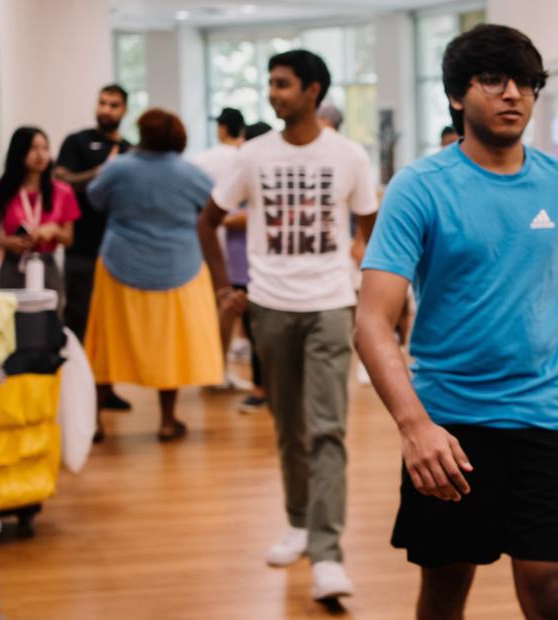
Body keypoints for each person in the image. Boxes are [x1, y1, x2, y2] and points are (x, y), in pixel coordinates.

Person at [357, 24, 558, 620]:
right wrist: (413, 427)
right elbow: (371, 322)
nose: (512, 94)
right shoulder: (420, 188)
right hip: (450, 424)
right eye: (493, 80)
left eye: (526, 83)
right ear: (456, 95)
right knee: (447, 588)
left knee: (552, 586)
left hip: (547, 414)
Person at [198, 49, 378, 605]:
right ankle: (299, 520)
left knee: (326, 427)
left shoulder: (348, 155)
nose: (273, 93)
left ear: (313, 91)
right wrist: (226, 288)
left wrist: (357, 266)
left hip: (329, 303)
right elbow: (208, 220)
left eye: (283, 84)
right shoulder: (251, 155)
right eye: (270, 84)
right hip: (269, 306)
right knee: (287, 425)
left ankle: (327, 553)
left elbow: (371, 221)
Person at [84, 109, 222, 443]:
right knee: (168, 346)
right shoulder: (190, 173)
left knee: (107, 344)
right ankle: (167, 420)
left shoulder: (118, 169)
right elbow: (214, 205)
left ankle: (96, 422)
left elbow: (94, 198)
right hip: (178, 267)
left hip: (120, 264)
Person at [55, 84, 133, 412]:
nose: (106, 109)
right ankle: (78, 395)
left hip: (118, 251)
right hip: (81, 251)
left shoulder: (131, 150)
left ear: (124, 110)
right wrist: (100, 173)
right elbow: (61, 179)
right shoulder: (77, 142)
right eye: (102, 103)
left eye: (114, 105)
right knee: (80, 321)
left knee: (112, 325)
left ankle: (105, 389)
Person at [192, 107, 263, 404]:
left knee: (225, 308)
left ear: (223, 128)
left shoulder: (205, 160)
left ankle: (217, 370)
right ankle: (222, 372)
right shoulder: (244, 160)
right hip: (238, 247)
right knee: (240, 311)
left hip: (220, 246)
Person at [0, 127, 78, 299]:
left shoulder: (62, 191)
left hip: (46, 265)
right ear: (20, 150)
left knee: (50, 321)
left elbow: (69, 238)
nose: (41, 155)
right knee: (11, 320)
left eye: (45, 148)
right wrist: (7, 242)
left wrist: (54, 230)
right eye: (34, 148)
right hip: (12, 264)